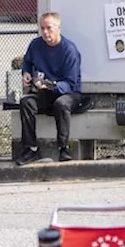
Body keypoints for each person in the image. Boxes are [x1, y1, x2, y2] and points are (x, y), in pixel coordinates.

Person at [16, 11, 82, 166]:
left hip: (68, 93)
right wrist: (26, 72)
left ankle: (64, 148)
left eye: (49, 28)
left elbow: (71, 83)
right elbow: (27, 61)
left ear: (58, 28)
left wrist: (50, 85)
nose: (45, 32)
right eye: (42, 28)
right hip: (44, 92)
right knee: (26, 103)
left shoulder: (69, 50)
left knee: (61, 104)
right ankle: (31, 148)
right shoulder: (36, 44)